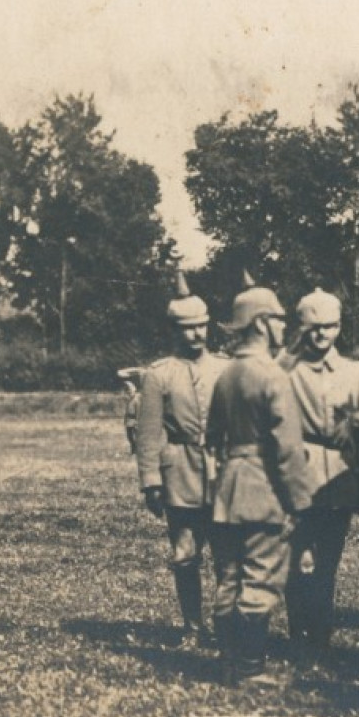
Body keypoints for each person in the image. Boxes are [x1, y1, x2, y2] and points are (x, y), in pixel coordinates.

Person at [207, 279, 313, 685]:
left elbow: (212, 437)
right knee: (259, 575)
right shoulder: (271, 376)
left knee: (229, 576)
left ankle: (229, 661)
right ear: (263, 323)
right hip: (263, 485)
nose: (284, 328)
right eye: (279, 320)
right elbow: (286, 449)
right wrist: (299, 503)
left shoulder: (226, 374)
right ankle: (250, 667)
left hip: (228, 486)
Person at [279, 289, 359, 655]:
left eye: (330, 327)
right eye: (314, 327)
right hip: (297, 472)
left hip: (339, 475)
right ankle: (297, 630)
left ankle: (320, 634)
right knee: (296, 557)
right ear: (302, 328)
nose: (322, 335)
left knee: (327, 560)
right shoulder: (285, 370)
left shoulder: (354, 372)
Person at [134, 276, 227, 651]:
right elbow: (148, 432)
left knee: (226, 558)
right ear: (173, 330)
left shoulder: (225, 368)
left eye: (201, 326)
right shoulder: (159, 375)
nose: (196, 335)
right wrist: (151, 481)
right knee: (185, 555)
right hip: (181, 475)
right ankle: (192, 627)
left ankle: (227, 628)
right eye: (187, 329)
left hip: (222, 474)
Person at [117, 367, 145, 455]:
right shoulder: (129, 400)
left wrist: (138, 422)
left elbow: (138, 411)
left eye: (130, 390)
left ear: (134, 390)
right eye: (127, 390)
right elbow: (127, 411)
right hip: (129, 421)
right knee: (130, 437)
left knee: (135, 437)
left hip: (134, 421)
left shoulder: (137, 399)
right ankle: (133, 451)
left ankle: (137, 451)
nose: (128, 392)